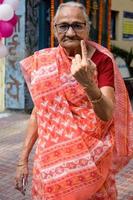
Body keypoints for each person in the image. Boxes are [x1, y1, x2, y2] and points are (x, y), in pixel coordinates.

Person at [15, 2, 133, 200]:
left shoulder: (102, 61)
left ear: (88, 27)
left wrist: (88, 83)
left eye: (78, 25)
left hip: (92, 161)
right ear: (54, 29)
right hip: (51, 162)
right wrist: (22, 160)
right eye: (63, 26)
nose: (70, 32)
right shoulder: (44, 62)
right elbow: (39, 112)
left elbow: (106, 114)